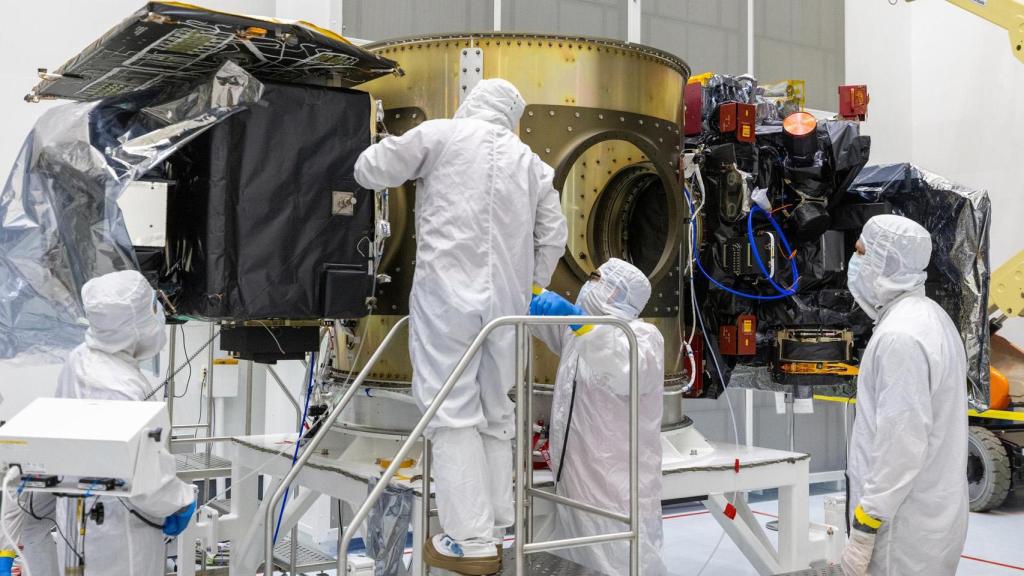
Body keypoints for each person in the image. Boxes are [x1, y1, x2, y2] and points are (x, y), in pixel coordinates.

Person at [354, 78, 567, 575]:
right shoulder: (532, 165)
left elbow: (370, 171)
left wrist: (372, 139)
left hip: (446, 298)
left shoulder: (441, 135)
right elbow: (553, 237)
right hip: (507, 309)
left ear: (471, 102)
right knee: (496, 410)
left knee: (450, 414)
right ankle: (495, 524)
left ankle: (468, 541)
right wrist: (527, 284)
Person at [1, 270, 196, 576]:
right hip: (117, 531)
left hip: (77, 516)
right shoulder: (122, 386)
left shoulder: (80, 360)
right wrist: (181, 501)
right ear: (133, 324)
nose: (159, 314)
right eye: (153, 307)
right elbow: (144, 476)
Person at [842, 215, 968, 575]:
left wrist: (866, 526)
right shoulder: (931, 318)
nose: (856, 264)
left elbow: (901, 444)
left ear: (885, 261)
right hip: (929, 518)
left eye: (862, 253)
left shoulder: (901, 336)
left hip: (901, 530)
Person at [529, 258, 665, 576]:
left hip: (616, 489)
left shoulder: (642, 337)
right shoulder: (579, 335)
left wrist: (581, 323)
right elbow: (542, 319)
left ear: (615, 293)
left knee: (624, 561)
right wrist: (528, 290)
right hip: (575, 481)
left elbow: (622, 366)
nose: (586, 285)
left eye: (595, 279)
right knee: (578, 561)